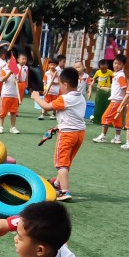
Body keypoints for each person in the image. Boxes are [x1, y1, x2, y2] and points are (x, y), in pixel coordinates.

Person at [27, 66, 85, 202]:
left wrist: (36, 97)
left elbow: (46, 107)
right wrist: (56, 127)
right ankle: (58, 182)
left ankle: (65, 191)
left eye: (60, 84)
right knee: (67, 160)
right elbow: (72, 117)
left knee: (61, 163)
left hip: (67, 135)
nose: (59, 88)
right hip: (79, 134)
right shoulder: (80, 97)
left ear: (65, 84)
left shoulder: (65, 99)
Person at [94, 55, 128, 143]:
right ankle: (117, 138)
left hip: (116, 101)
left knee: (105, 117)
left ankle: (103, 136)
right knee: (117, 119)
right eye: (115, 63)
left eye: (119, 64)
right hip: (118, 101)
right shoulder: (117, 74)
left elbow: (124, 88)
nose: (116, 65)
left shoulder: (120, 76)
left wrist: (124, 102)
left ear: (123, 65)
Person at [0, 54, 21, 135]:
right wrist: (10, 72)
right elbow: (2, 79)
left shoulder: (17, 70)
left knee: (13, 112)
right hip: (6, 94)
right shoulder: (4, 69)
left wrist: (17, 81)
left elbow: (19, 80)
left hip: (14, 94)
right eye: (11, 61)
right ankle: (0, 127)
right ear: (7, 61)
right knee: (2, 111)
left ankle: (13, 127)